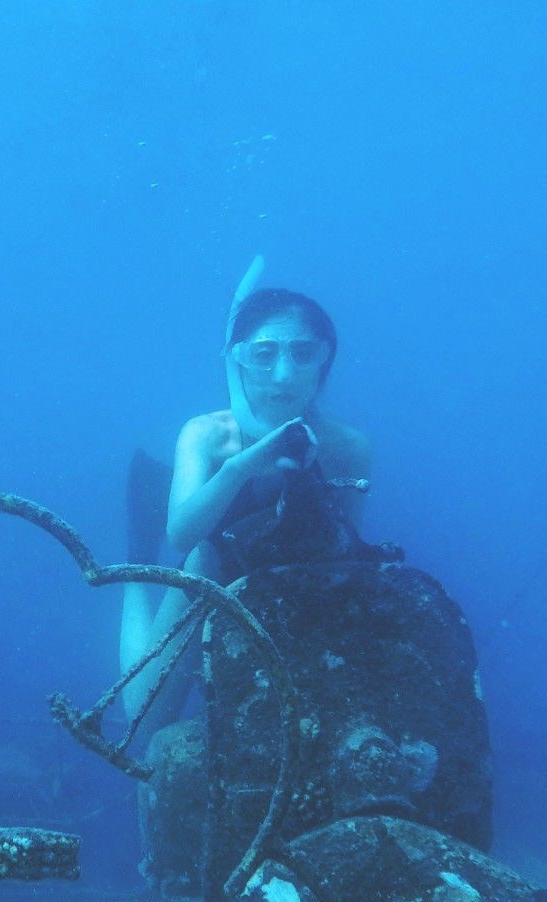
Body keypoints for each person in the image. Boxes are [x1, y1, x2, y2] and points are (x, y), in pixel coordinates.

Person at [119, 267, 371, 725]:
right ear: (238, 360)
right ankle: (137, 567)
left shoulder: (347, 449)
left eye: (303, 353)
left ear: (324, 360)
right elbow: (180, 535)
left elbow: (346, 552)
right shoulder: (207, 435)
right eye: (263, 354)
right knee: (143, 715)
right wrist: (239, 468)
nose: (283, 374)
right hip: (210, 565)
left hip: (294, 573)